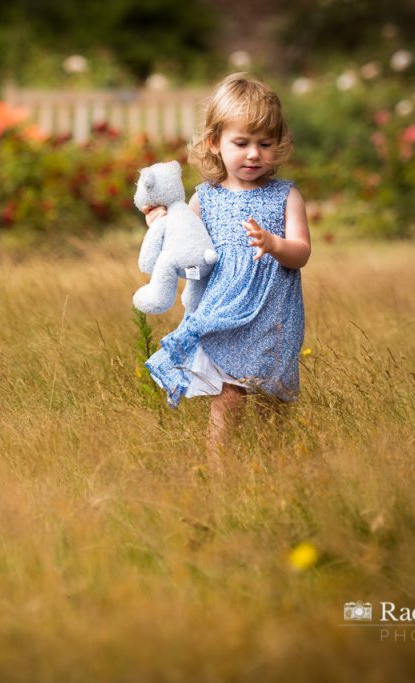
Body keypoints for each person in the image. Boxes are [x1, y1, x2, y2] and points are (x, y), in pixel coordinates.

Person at [141, 73, 311, 468]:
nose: (254, 154)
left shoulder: (287, 195)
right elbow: (189, 255)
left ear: (278, 144)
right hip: (225, 312)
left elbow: (301, 252)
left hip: (273, 314)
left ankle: (276, 469)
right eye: (242, 143)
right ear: (215, 142)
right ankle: (220, 474)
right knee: (229, 396)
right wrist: (161, 228)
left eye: (264, 144)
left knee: (273, 400)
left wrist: (274, 245)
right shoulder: (206, 199)